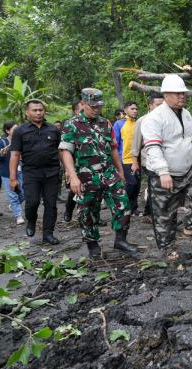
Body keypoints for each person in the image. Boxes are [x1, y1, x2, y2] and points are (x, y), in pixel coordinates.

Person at [60, 88, 137, 258]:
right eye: (93, 106)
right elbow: (66, 151)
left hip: (109, 173)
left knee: (123, 204)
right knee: (87, 212)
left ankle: (120, 240)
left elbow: (114, 149)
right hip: (85, 176)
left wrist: (121, 173)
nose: (96, 109)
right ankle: (93, 245)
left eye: (99, 106)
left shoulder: (105, 123)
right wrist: (72, 176)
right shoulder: (72, 124)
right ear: (83, 103)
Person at [141, 74, 192, 261]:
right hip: (164, 171)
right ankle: (167, 248)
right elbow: (153, 147)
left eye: (183, 93)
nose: (182, 96)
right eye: (178, 93)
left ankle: (190, 227)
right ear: (166, 95)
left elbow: (187, 141)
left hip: (188, 168)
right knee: (165, 213)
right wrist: (163, 172)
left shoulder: (186, 114)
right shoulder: (154, 118)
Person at [10, 100, 61, 245]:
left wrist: (69, 172)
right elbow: (14, 155)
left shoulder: (53, 129)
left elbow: (61, 151)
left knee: (51, 204)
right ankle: (31, 221)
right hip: (31, 172)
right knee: (32, 202)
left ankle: (48, 234)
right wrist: (13, 178)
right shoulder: (20, 131)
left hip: (52, 172)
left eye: (41, 110)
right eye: (35, 110)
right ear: (27, 113)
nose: (38, 112)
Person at [131, 93, 164, 219]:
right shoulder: (142, 121)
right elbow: (136, 144)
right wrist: (135, 162)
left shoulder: (166, 119)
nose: (161, 108)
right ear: (150, 105)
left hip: (164, 159)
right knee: (155, 186)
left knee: (158, 187)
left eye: (163, 105)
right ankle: (151, 214)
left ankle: (150, 212)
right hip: (148, 161)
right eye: (158, 105)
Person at [113, 101, 141, 215]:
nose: (135, 111)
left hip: (138, 159)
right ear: (125, 110)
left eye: (136, 109)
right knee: (131, 183)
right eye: (132, 109)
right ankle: (123, 205)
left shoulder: (139, 123)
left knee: (137, 184)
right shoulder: (119, 124)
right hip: (125, 159)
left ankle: (133, 208)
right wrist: (116, 161)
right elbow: (115, 143)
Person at [0, 121, 25, 225]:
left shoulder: (22, 140)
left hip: (21, 171)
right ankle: (18, 215)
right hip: (7, 173)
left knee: (24, 192)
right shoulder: (2, 142)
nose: (17, 131)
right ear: (7, 131)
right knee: (12, 195)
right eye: (14, 129)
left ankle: (14, 205)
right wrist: (2, 154)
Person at [63, 99, 83, 222]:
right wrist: (68, 170)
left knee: (94, 191)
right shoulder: (69, 125)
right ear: (75, 111)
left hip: (92, 165)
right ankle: (69, 210)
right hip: (75, 165)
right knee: (74, 190)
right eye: (81, 110)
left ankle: (91, 217)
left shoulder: (96, 123)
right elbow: (65, 150)